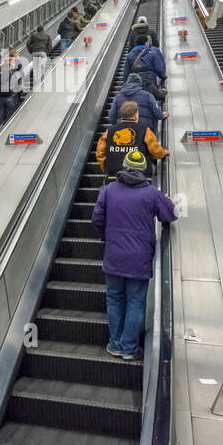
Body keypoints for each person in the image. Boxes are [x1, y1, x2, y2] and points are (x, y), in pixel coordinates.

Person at [91, 149, 179, 360]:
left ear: (124, 167)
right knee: (135, 302)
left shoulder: (108, 190)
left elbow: (96, 219)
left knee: (114, 300)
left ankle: (115, 344)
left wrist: (108, 238)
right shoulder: (151, 193)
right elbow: (172, 214)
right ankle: (129, 349)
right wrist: (165, 200)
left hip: (113, 256)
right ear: (144, 169)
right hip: (139, 259)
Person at [97, 100, 168, 176]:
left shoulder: (109, 132)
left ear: (121, 116)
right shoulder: (145, 130)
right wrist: (163, 153)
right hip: (139, 177)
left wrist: (106, 169)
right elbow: (156, 151)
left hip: (114, 176)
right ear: (136, 115)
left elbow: (100, 153)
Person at [109, 72, 167, 137]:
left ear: (127, 83)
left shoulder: (117, 97)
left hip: (123, 130)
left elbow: (111, 116)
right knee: (153, 119)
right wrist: (162, 115)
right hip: (145, 129)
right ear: (140, 83)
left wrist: (117, 124)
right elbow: (157, 113)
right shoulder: (147, 95)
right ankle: (153, 141)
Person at [0, 48, 26, 125]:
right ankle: (6, 129)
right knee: (10, 113)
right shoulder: (16, 67)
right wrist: (19, 92)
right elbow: (18, 80)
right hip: (10, 95)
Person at [126, 34, 167, 101]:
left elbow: (126, 73)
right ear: (146, 42)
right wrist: (163, 77)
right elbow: (159, 68)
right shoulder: (154, 52)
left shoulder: (130, 55)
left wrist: (127, 85)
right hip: (150, 83)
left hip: (135, 84)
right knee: (151, 101)